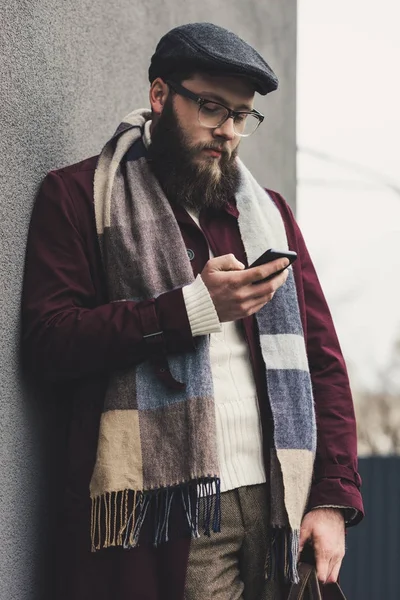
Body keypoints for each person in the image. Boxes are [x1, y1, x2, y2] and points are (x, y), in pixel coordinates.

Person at [21, 22, 363, 600]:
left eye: (241, 116)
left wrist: (330, 500)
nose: (227, 131)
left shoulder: (268, 216)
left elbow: (321, 361)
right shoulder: (80, 197)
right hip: (172, 515)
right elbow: (50, 343)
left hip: (281, 505)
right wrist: (189, 309)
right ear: (160, 96)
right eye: (210, 107)